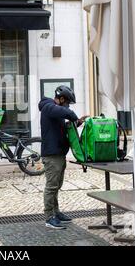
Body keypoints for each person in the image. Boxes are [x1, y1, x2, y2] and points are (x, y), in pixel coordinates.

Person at [38, 85, 88, 230]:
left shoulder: (55, 111)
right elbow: (62, 111)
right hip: (51, 155)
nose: (67, 106)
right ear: (60, 99)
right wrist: (72, 115)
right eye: (66, 103)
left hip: (59, 154)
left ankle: (56, 212)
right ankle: (49, 217)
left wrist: (78, 122)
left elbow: (63, 127)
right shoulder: (47, 106)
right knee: (51, 187)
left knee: (57, 186)